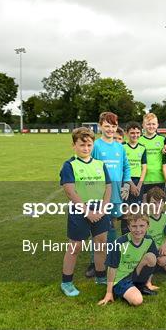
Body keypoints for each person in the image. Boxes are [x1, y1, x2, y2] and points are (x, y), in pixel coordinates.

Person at [59, 127, 111, 296]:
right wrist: (87, 212)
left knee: (101, 243)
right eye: (82, 145)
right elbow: (70, 191)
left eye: (89, 145)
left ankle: (101, 277)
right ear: (74, 145)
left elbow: (108, 187)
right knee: (75, 246)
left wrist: (103, 208)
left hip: (100, 211)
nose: (86, 148)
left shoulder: (100, 165)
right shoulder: (69, 165)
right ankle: (66, 282)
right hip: (80, 211)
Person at [85, 112, 132, 278]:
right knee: (98, 229)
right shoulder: (96, 146)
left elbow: (126, 167)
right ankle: (94, 262)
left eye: (113, 126)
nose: (110, 129)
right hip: (99, 195)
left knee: (112, 225)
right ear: (100, 126)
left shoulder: (120, 147)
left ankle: (112, 258)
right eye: (107, 126)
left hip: (116, 195)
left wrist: (126, 184)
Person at [98, 213, 159, 306]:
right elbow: (112, 268)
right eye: (134, 226)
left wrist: (149, 283)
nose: (138, 230)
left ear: (148, 226)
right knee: (137, 300)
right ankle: (122, 290)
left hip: (134, 273)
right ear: (129, 227)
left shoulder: (149, 240)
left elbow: (152, 262)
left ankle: (141, 285)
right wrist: (109, 293)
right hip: (121, 278)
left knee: (152, 257)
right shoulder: (119, 243)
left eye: (142, 226)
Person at [143, 187, 166, 290]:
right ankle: (153, 265)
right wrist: (160, 249)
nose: (157, 206)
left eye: (160, 202)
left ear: (164, 204)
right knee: (162, 260)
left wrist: (164, 246)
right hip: (150, 249)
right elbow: (144, 241)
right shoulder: (145, 219)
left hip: (162, 249)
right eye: (154, 203)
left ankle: (157, 265)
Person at [138, 113, 166, 195]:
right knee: (145, 203)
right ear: (143, 125)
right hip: (144, 177)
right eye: (148, 124)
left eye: (153, 124)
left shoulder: (163, 139)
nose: (151, 126)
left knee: (158, 203)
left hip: (159, 177)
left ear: (157, 125)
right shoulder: (139, 140)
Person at [123, 122, 147, 209]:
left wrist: (139, 185)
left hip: (138, 182)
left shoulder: (142, 148)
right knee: (126, 210)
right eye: (132, 133)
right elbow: (122, 168)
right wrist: (131, 184)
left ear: (140, 133)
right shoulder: (122, 147)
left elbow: (144, 168)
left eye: (137, 133)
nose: (135, 135)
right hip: (125, 181)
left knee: (136, 209)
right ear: (127, 133)